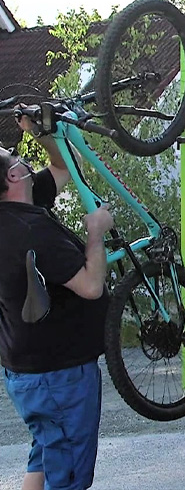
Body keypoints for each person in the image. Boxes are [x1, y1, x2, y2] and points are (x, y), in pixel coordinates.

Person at [0, 111, 114, 490]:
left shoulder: (19, 208)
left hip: (25, 370)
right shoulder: (32, 230)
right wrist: (95, 233)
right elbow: (91, 286)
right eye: (14, 155)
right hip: (59, 374)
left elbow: (65, 166)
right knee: (66, 477)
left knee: (46, 459)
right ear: (14, 176)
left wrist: (40, 131)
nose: (20, 155)